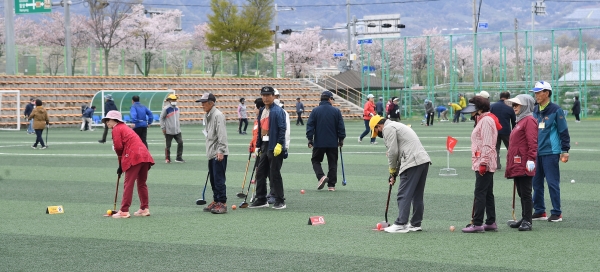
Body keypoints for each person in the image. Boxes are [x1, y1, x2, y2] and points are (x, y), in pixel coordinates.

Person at [369, 115, 431, 233]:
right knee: (417, 195)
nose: (378, 134)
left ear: (378, 126)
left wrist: (392, 170)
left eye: (376, 131)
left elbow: (393, 152)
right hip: (423, 160)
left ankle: (401, 223)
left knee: (403, 194)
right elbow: (398, 152)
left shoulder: (388, 128)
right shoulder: (397, 125)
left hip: (412, 161)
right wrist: (394, 174)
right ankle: (415, 224)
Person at [102, 110, 155, 219]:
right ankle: (144, 208)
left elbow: (118, 147)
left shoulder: (116, 128)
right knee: (141, 183)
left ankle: (124, 211)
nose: (107, 122)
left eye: (108, 120)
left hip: (134, 157)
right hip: (145, 155)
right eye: (106, 120)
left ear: (115, 120)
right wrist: (121, 164)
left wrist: (120, 164)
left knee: (128, 183)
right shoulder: (125, 127)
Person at [461, 96, 502, 233]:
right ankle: (490, 221)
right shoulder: (483, 120)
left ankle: (477, 223)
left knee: (480, 192)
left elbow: (488, 144)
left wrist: (483, 163)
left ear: (479, 109)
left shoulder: (486, 121)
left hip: (484, 162)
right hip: (482, 161)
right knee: (487, 193)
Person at [530, 81, 570, 222]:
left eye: (538, 92)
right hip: (536, 152)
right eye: (535, 92)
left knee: (552, 183)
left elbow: (563, 130)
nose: (536, 95)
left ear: (547, 93)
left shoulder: (556, 110)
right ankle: (540, 211)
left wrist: (565, 150)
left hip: (551, 152)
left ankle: (556, 212)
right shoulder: (535, 109)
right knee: (536, 183)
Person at [249, 86, 287, 210]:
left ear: (272, 96)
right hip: (265, 145)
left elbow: (282, 128)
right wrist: (258, 146)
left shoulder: (278, 111)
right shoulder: (262, 111)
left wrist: (280, 144)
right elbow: (260, 130)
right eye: (263, 95)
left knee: (274, 173)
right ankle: (261, 199)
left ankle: (280, 200)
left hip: (275, 145)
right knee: (260, 173)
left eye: (268, 95)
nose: (265, 98)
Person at [505, 94, 538, 231]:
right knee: (521, 192)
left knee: (525, 192)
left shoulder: (529, 120)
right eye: (513, 105)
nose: (514, 107)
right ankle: (524, 218)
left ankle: (528, 221)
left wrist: (531, 159)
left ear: (525, 105)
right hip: (517, 162)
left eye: (517, 105)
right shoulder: (520, 121)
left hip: (524, 162)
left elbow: (533, 142)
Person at [306, 91, 346, 191]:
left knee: (315, 160)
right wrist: (341, 139)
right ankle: (331, 185)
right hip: (333, 142)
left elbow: (310, 126)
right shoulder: (336, 111)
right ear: (329, 99)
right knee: (332, 163)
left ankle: (321, 176)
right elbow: (341, 127)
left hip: (319, 142)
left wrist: (310, 139)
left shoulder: (315, 111)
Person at [197, 93, 229, 214]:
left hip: (218, 152)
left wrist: (220, 151)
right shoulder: (208, 115)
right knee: (213, 179)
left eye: (204, 102)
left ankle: (222, 202)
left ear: (211, 103)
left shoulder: (218, 115)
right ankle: (216, 200)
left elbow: (222, 134)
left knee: (219, 179)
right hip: (211, 152)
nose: (202, 105)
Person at [490, 91, 516, 169]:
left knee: (495, 149)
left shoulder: (493, 106)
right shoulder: (510, 107)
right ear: (508, 98)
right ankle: (511, 164)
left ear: (500, 97)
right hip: (506, 131)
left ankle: (496, 165)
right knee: (511, 149)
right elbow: (514, 121)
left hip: (495, 131)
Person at [160, 94, 184, 163]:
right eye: (173, 100)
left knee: (180, 142)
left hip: (177, 130)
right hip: (168, 130)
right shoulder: (166, 109)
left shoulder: (177, 108)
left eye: (175, 100)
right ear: (169, 101)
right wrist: (163, 127)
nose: (174, 101)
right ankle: (167, 158)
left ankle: (179, 157)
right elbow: (161, 118)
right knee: (168, 145)